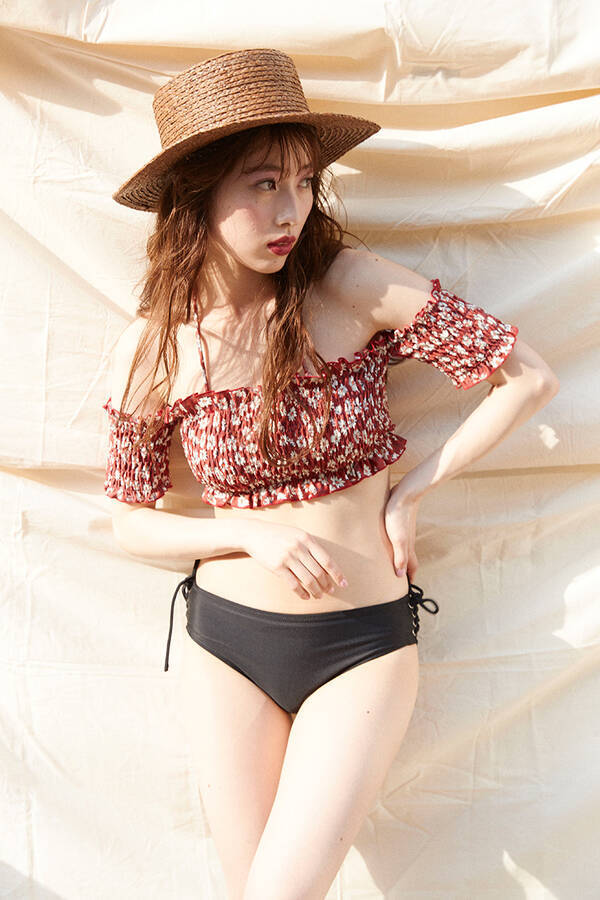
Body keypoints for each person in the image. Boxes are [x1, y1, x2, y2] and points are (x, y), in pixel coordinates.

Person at [102, 48, 559, 900]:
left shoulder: (350, 286)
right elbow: (128, 519)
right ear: (197, 195)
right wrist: (247, 534)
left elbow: (527, 377)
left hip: (362, 645)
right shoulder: (154, 347)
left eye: (305, 183)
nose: (292, 210)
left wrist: (415, 490)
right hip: (225, 645)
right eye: (263, 184)